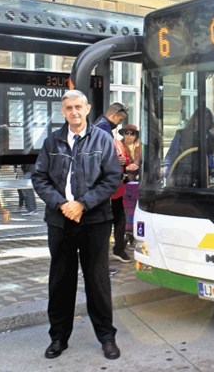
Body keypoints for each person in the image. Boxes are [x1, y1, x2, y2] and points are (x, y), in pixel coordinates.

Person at [32, 89, 122, 361]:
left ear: (88, 109)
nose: (74, 112)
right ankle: (58, 338)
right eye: (69, 107)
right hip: (60, 221)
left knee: (97, 281)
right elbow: (40, 178)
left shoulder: (103, 140)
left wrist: (82, 203)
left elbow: (111, 178)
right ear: (63, 111)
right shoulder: (52, 141)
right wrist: (62, 204)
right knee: (61, 281)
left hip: (94, 220)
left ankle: (106, 337)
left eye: (78, 107)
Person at [93, 102, 131, 263]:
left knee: (113, 217)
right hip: (108, 184)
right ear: (114, 115)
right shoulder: (104, 129)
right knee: (114, 217)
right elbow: (104, 157)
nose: (119, 124)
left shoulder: (97, 125)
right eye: (120, 120)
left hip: (105, 183)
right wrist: (118, 160)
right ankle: (114, 250)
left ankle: (113, 249)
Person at [165, 107, 214, 187]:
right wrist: (170, 177)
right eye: (200, 118)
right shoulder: (181, 135)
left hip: (205, 182)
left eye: (206, 119)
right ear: (195, 119)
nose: (203, 121)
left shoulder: (213, 139)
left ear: (210, 122)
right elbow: (171, 158)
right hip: (183, 181)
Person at [120, 124, 141, 246]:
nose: (128, 136)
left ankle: (132, 232)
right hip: (123, 181)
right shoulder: (119, 145)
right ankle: (125, 232)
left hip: (137, 182)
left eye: (131, 133)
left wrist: (136, 165)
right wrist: (126, 167)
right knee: (124, 208)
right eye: (126, 133)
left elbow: (140, 160)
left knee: (134, 208)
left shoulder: (140, 146)